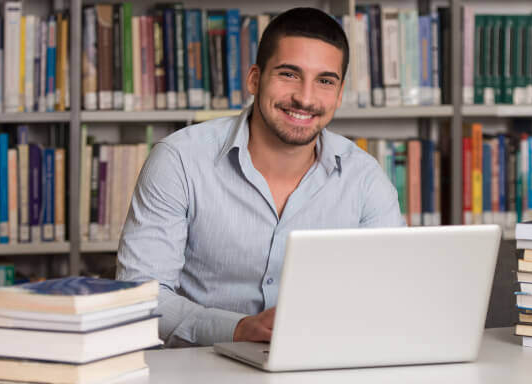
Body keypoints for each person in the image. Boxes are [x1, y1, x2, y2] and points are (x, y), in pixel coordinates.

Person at [116, 7, 404, 348]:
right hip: (197, 369)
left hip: (318, 367)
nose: (306, 98)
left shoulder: (365, 178)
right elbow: (143, 297)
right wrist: (237, 329)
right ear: (255, 79)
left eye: (325, 81)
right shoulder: (179, 161)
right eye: (289, 74)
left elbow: (390, 295)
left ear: (339, 94)